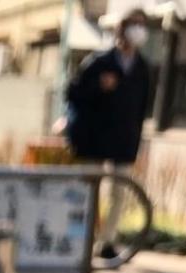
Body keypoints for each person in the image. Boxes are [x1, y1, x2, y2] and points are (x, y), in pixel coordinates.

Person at [65, 8, 152, 259]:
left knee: (119, 193)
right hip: (94, 139)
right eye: (133, 24)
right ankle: (82, 238)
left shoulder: (143, 69)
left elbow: (142, 108)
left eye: (142, 24)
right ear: (121, 28)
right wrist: (99, 87)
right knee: (89, 191)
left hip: (124, 140)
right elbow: (73, 94)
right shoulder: (98, 62)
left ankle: (107, 242)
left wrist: (137, 140)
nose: (138, 29)